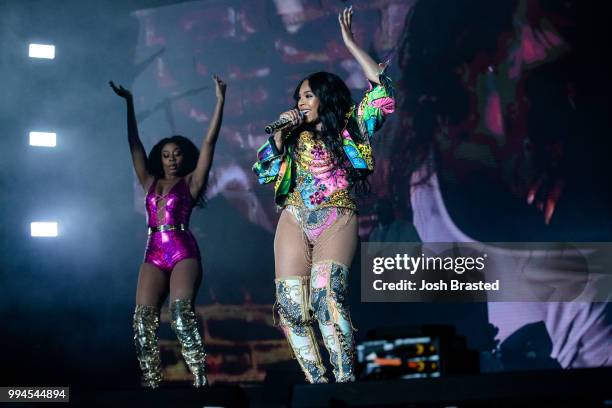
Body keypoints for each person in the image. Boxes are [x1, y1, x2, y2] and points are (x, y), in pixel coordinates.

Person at [252, 6, 394, 383]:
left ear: (325, 99)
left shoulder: (350, 127)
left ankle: (346, 382)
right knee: (291, 309)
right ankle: (317, 384)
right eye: (298, 97)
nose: (300, 103)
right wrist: (279, 138)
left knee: (327, 300)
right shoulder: (291, 136)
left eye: (309, 96)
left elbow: (382, 92)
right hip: (294, 216)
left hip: (337, 216)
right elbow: (264, 170)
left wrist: (350, 44)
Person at [109, 75, 226, 387]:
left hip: (182, 247)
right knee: (142, 323)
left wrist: (220, 101)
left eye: (177, 154)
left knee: (179, 315)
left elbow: (209, 143)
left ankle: (200, 380)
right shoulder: (149, 182)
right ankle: (153, 385)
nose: (172, 159)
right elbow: (134, 144)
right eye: (166, 154)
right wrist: (130, 104)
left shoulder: (191, 181)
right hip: (154, 250)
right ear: (159, 158)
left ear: (183, 157)